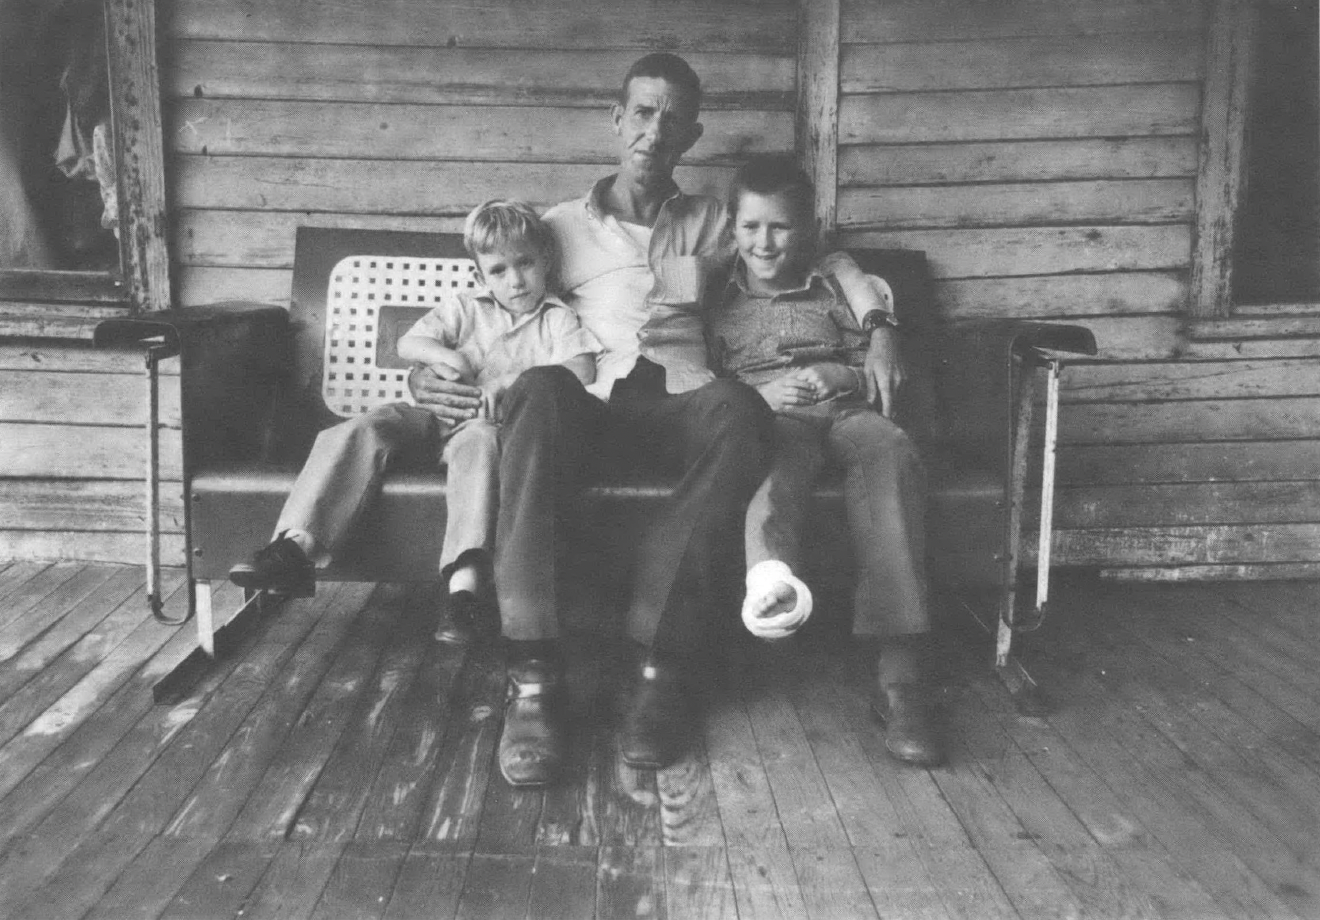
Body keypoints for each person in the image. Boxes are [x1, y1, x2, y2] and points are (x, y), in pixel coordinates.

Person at [407, 53, 906, 784]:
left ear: (691, 134)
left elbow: (813, 249)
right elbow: (482, 310)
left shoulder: (714, 223)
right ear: (617, 120)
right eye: (642, 112)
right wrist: (426, 373)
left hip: (677, 401)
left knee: (739, 409)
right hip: (587, 408)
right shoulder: (555, 229)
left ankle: (659, 669)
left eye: (672, 118)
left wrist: (883, 323)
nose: (654, 131)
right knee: (540, 391)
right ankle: (535, 676)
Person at [228, 200, 601, 671]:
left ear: (545, 258)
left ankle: (464, 591)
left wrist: (511, 381)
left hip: (484, 427)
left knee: (481, 448)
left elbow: (582, 368)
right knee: (364, 428)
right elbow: (409, 343)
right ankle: (295, 547)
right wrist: (447, 359)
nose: (515, 280)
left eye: (525, 263)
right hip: (428, 416)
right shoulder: (466, 307)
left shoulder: (557, 319)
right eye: (499, 270)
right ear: (481, 274)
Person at [709, 154, 943, 766]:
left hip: (843, 406)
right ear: (732, 229)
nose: (765, 242)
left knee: (887, 448)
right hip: (771, 419)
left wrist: (834, 371)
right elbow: (702, 383)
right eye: (751, 227)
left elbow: (877, 364)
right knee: (775, 472)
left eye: (781, 227)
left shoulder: (835, 285)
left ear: (807, 228)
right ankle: (772, 586)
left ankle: (901, 674)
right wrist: (757, 396)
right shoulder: (716, 299)